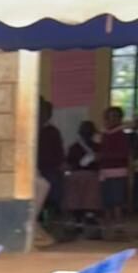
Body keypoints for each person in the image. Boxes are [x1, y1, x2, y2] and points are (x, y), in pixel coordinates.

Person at [63, 119, 103, 235]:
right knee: (89, 199)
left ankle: (78, 220)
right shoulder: (96, 147)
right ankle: (87, 217)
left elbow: (69, 164)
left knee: (77, 199)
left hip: (78, 176)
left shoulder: (74, 147)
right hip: (90, 177)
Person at [35, 97, 65, 245]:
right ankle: (36, 223)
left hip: (49, 169)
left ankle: (49, 222)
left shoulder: (52, 131)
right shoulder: (31, 130)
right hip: (36, 168)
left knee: (50, 185)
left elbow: (59, 153)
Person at [97, 106, 130, 238]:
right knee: (106, 200)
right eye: (108, 117)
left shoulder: (121, 135)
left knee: (117, 200)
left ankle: (118, 225)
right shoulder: (104, 134)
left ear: (119, 119)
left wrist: (104, 156)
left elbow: (123, 154)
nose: (111, 120)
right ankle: (107, 225)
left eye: (114, 117)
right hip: (105, 171)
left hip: (117, 171)